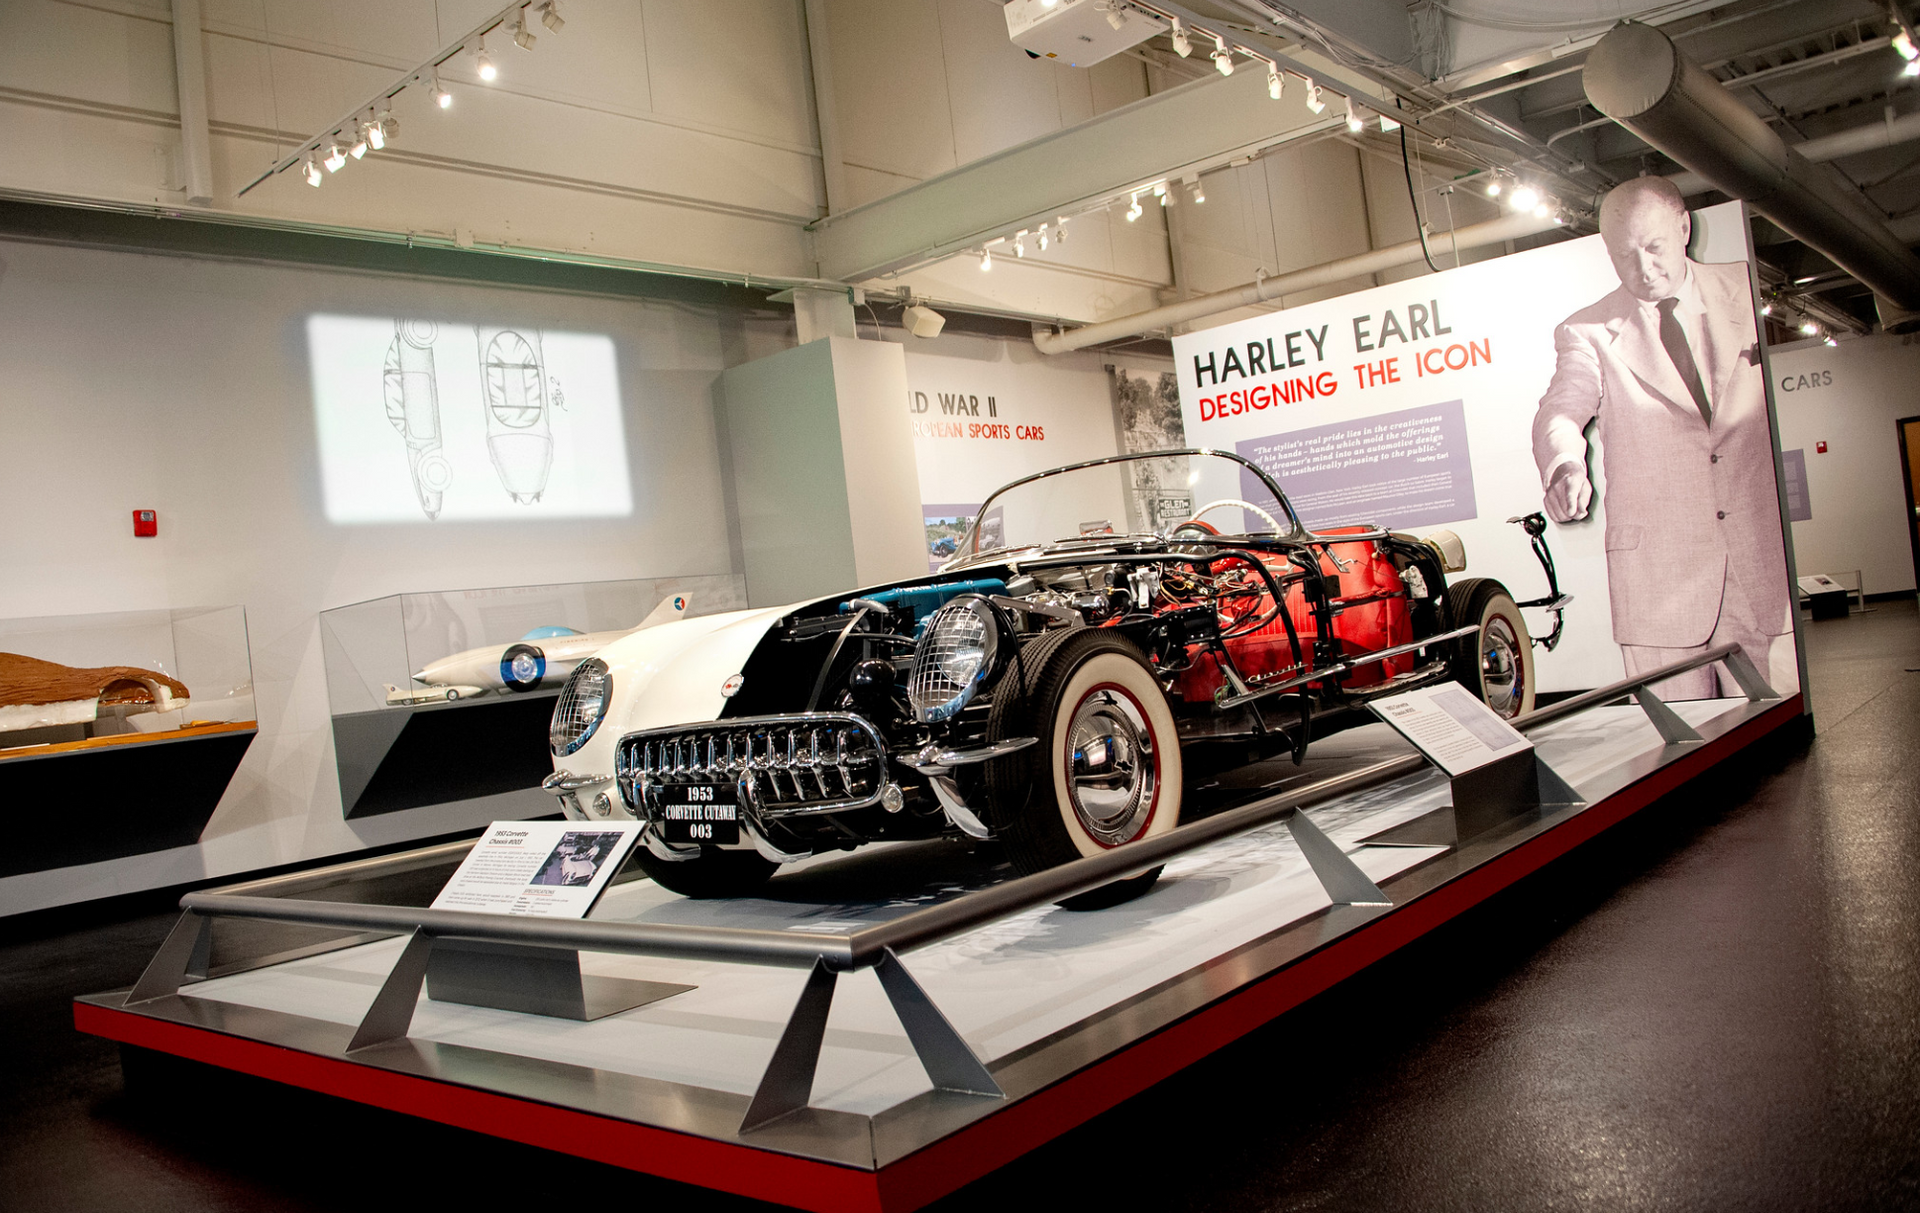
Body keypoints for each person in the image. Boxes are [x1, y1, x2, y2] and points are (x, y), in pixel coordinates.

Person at [1531, 175, 1795, 699]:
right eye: (1624, 255)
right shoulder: (1586, 331)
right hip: (1659, 589)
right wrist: (1565, 464)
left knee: (1787, 745)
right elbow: (1560, 409)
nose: (1643, 269)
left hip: (1761, 575)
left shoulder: (1745, 290)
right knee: (1680, 759)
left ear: (1684, 227)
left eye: (1654, 248)